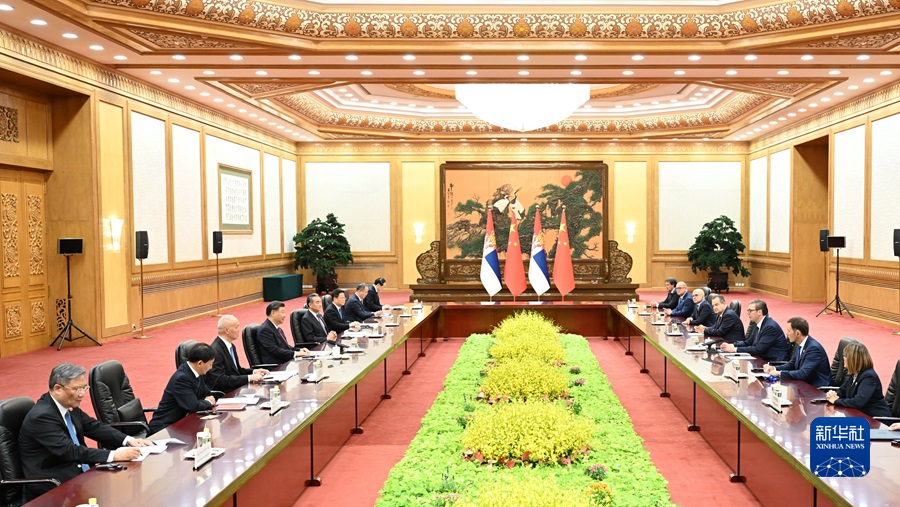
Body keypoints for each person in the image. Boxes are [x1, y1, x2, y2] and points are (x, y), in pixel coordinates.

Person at [19, 363, 153, 501]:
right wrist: (114, 455)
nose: (82, 394)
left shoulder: (67, 404)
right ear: (58, 388)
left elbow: (93, 426)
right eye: (77, 389)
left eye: (84, 388)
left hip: (80, 474)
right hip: (54, 484)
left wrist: (128, 440)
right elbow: (70, 451)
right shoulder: (41, 417)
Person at [149, 342, 219, 434]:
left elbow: (206, 393)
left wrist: (207, 400)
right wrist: (208, 402)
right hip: (166, 427)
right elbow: (193, 406)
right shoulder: (182, 379)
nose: (211, 367)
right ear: (200, 363)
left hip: (183, 423)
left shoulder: (196, 371)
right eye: (210, 364)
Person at [825, 342, 891, 418]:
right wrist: (833, 394)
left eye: (845, 356)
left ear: (853, 359)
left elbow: (858, 402)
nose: (843, 358)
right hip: (860, 415)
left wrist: (836, 401)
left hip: (876, 419)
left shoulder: (869, 377)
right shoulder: (854, 373)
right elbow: (842, 390)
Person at [205, 315, 269, 393]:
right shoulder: (216, 351)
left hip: (235, 388)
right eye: (236, 327)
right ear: (227, 330)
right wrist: (248, 378)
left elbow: (237, 370)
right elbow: (220, 380)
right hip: (226, 392)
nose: (239, 330)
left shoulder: (231, 346)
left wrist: (254, 372)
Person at [763, 317, 831, 387]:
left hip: (816, 389)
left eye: (789, 331)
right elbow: (791, 364)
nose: (787, 334)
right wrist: (774, 368)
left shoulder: (813, 349)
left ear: (798, 333)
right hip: (804, 384)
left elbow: (802, 373)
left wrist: (779, 373)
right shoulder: (799, 344)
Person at [720, 299, 789, 362]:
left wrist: (735, 349)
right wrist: (731, 345)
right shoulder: (759, 324)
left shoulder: (770, 327)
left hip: (773, 362)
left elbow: (758, 349)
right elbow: (748, 343)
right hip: (762, 358)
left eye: (750, 311)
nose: (748, 313)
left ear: (759, 312)